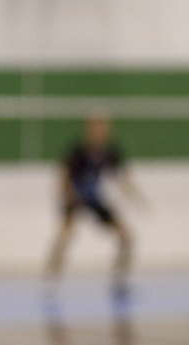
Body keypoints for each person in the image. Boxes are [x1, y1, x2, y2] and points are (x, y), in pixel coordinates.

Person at [46, 112, 142, 299]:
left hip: (94, 199)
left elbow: (122, 178)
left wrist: (137, 198)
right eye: (97, 127)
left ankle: (119, 281)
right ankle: (52, 280)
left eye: (104, 128)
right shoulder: (78, 150)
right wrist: (65, 197)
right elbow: (63, 176)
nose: (101, 132)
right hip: (75, 197)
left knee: (126, 235)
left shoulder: (110, 151)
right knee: (65, 235)